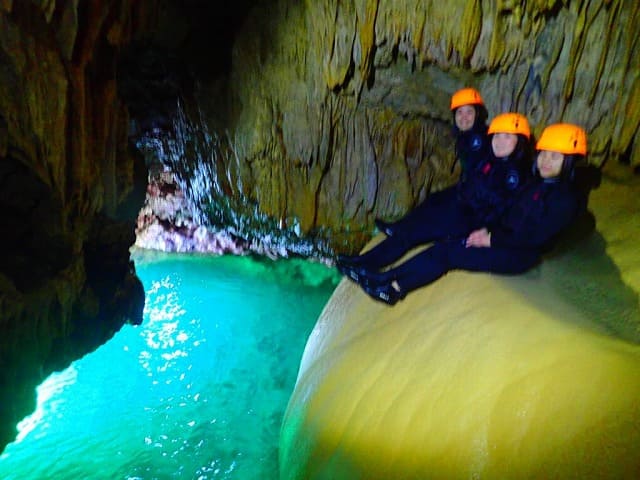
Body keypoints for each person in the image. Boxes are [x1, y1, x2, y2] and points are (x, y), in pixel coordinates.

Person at [342, 123, 588, 305]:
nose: (546, 161)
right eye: (544, 153)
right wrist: (487, 231)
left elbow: (532, 236)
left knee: (446, 253)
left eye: (555, 157)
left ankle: (393, 288)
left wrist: (490, 238)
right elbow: (510, 213)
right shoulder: (541, 183)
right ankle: (383, 278)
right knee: (442, 245)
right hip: (501, 236)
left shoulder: (564, 199)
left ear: (570, 163)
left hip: (517, 254)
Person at [338, 112, 533, 281]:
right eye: (497, 135)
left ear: (520, 142)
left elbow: (502, 211)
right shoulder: (495, 161)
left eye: (507, 136)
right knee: (412, 230)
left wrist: (482, 230)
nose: (499, 140)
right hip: (462, 210)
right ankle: (365, 263)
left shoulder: (515, 175)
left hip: (468, 221)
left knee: (414, 235)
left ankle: (373, 270)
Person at [375, 87, 490, 237]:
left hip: (479, 198)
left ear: (478, 114)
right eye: (459, 112)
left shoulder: (478, 139)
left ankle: (404, 231)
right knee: (434, 200)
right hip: (470, 190)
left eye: (469, 112)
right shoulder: (467, 137)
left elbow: (481, 174)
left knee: (439, 208)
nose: (464, 117)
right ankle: (400, 228)